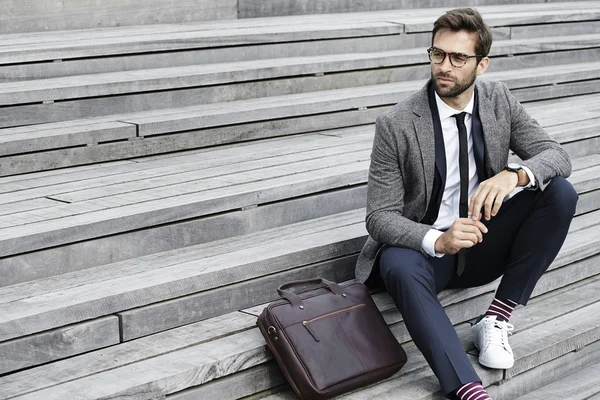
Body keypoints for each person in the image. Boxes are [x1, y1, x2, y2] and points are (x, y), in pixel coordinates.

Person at [354, 7, 578, 400]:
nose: (445, 66)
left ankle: (496, 318)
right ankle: (467, 388)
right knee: (396, 263)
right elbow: (379, 217)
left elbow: (556, 155)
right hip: (427, 256)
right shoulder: (398, 123)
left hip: (483, 243)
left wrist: (514, 174)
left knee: (559, 193)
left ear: (482, 64)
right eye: (437, 54)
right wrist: (437, 241)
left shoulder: (498, 101)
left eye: (459, 58)